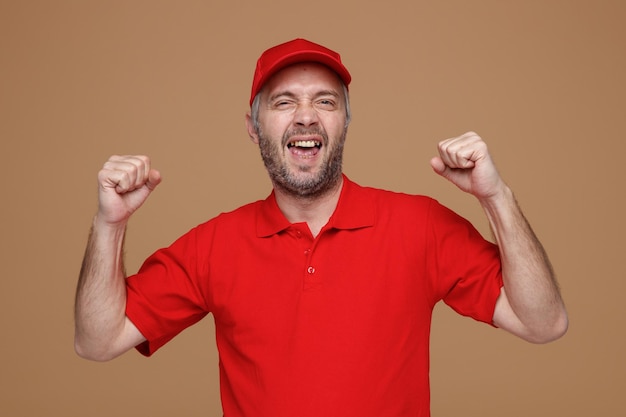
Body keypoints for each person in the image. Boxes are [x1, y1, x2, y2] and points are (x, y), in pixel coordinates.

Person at [74, 38, 568, 416]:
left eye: (326, 102)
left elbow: (544, 323)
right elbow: (98, 340)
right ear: (254, 127)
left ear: (345, 122)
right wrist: (109, 224)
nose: (306, 117)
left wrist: (495, 197)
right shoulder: (213, 245)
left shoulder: (420, 227)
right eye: (284, 102)